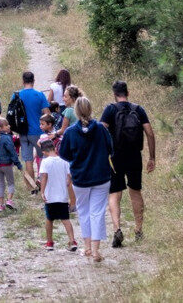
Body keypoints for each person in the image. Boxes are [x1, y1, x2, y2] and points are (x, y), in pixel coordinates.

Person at [101, 80, 156, 248]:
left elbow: (101, 130)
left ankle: (117, 229)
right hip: (134, 156)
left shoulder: (110, 109)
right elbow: (150, 133)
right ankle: (138, 230)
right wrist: (152, 157)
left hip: (115, 157)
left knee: (115, 193)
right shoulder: (138, 109)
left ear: (114, 94)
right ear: (128, 93)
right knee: (135, 191)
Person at [59, 95, 113, 262]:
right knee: (97, 212)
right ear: (90, 109)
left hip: (80, 178)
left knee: (84, 212)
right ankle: (96, 251)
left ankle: (87, 247)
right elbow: (111, 149)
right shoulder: (101, 129)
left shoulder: (70, 132)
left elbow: (64, 154)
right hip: (101, 177)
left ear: (75, 111)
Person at [38, 140, 78, 251]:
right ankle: (72, 241)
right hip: (62, 196)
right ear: (55, 148)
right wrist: (67, 184)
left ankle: (50, 242)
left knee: (49, 219)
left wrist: (42, 192)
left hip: (50, 197)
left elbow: (44, 177)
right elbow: (69, 177)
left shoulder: (45, 162)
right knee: (65, 219)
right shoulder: (64, 161)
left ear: (44, 151)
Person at [16, 71, 51, 193]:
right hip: (37, 131)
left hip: (23, 132)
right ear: (33, 81)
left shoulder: (17, 95)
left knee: (28, 160)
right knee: (44, 157)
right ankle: (43, 183)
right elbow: (47, 113)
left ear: (23, 81)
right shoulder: (39, 95)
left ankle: (31, 188)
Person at [0, 118, 22, 211]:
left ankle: (1, 205)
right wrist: (18, 164)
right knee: (11, 182)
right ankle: (9, 200)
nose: (9, 126)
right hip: (7, 164)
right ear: (1, 128)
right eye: (6, 125)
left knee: (1, 184)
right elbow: (12, 151)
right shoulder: (7, 138)